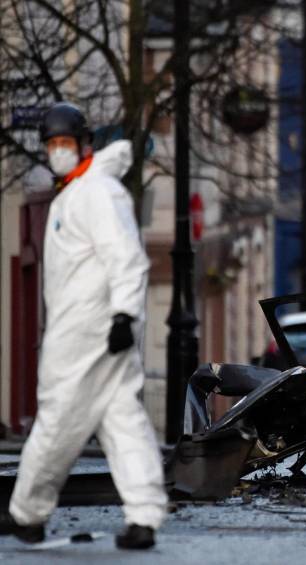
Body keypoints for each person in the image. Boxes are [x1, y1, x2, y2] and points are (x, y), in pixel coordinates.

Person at [0, 102, 168, 549]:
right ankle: (144, 515)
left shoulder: (94, 193)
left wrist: (122, 315)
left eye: (64, 143)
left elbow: (126, 258)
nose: (58, 151)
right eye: (52, 144)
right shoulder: (78, 192)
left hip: (85, 332)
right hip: (99, 325)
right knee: (122, 419)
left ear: (84, 145)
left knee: (57, 421)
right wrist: (124, 317)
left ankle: (26, 512)